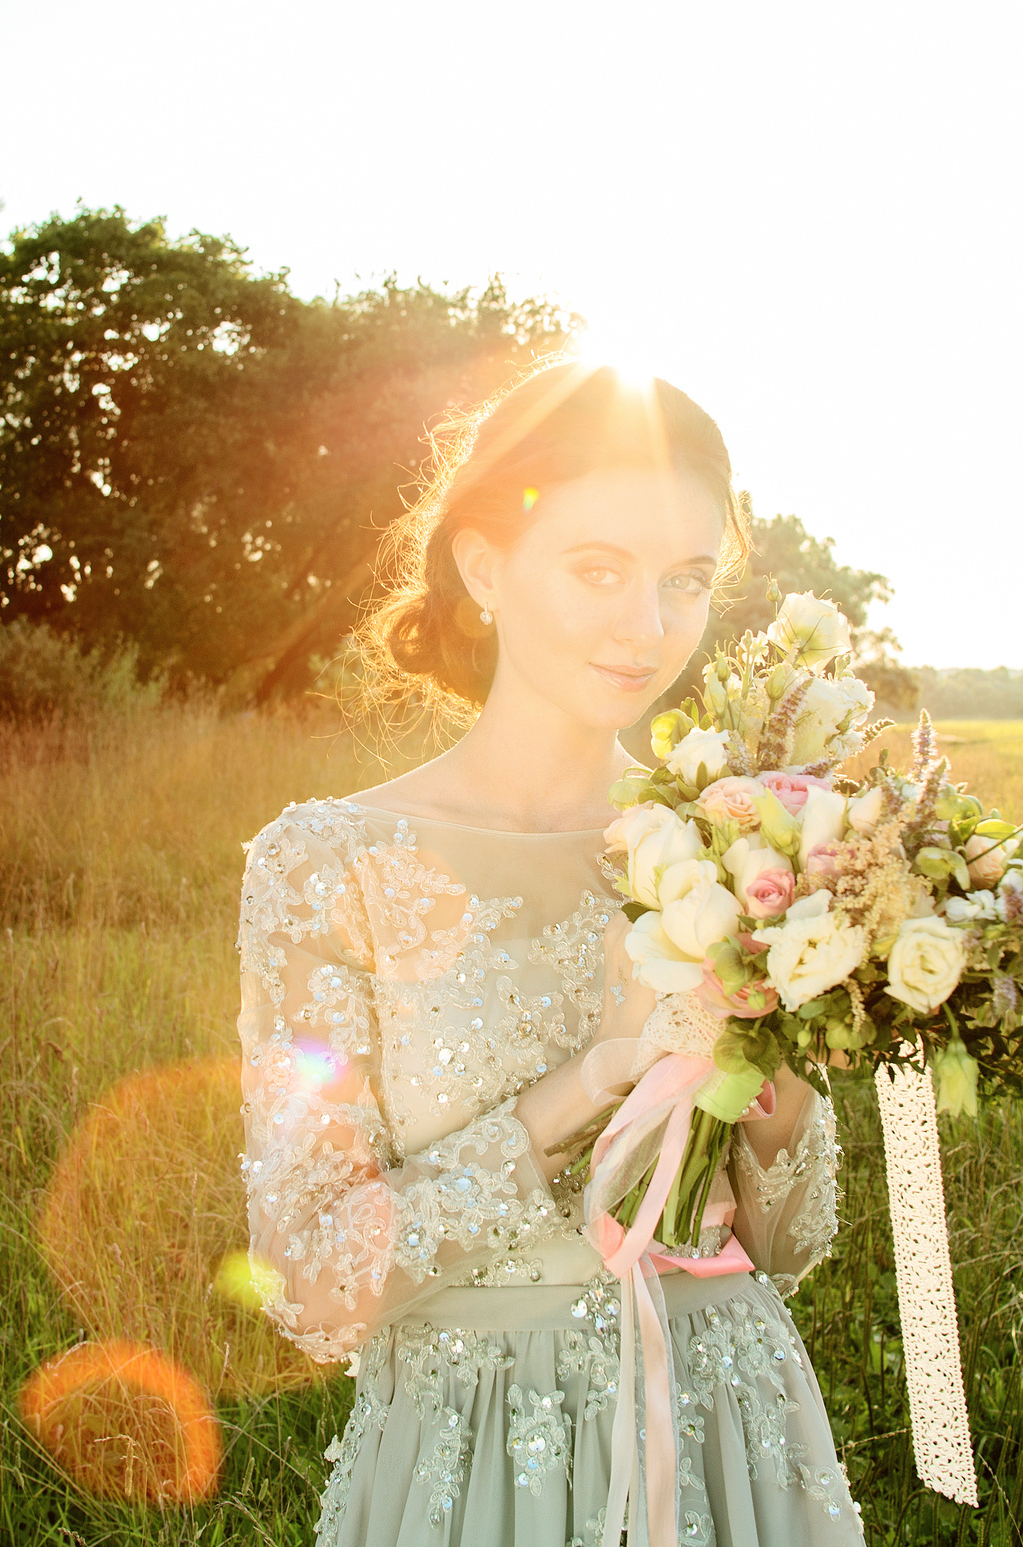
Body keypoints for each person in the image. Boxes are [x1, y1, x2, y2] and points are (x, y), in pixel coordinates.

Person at [236, 360, 864, 1547]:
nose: (647, 626)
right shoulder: (326, 867)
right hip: (472, 1461)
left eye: (684, 582)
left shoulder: (744, 841)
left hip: (725, 1435)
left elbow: (787, 1246)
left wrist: (775, 1105)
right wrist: (579, 1091)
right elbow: (312, 1280)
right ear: (485, 566)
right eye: (597, 570)